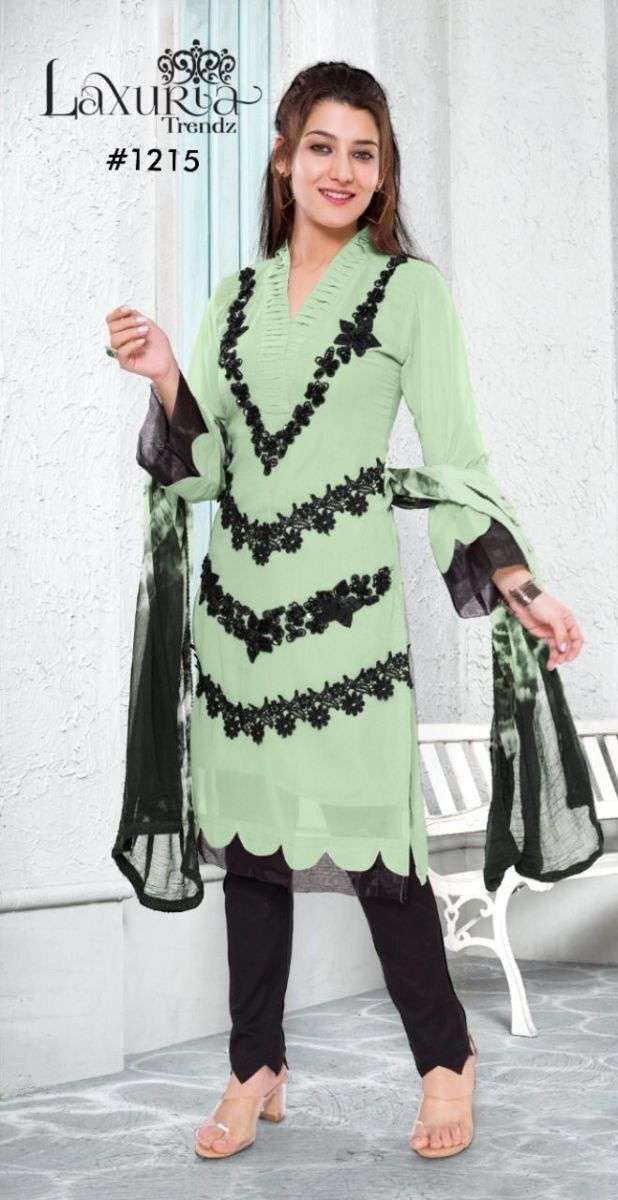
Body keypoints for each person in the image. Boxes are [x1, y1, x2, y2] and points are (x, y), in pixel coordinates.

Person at [105, 62, 584, 1161]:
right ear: (284, 159)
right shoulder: (234, 298)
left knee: (380, 849)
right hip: (239, 621)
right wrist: (168, 373)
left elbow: (457, 460)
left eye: (364, 153)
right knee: (250, 853)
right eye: (321, 146)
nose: (342, 169)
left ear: (382, 173)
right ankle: (255, 1066)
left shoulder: (409, 292)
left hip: (348, 624)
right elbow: (206, 472)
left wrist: (520, 583)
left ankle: (446, 1055)